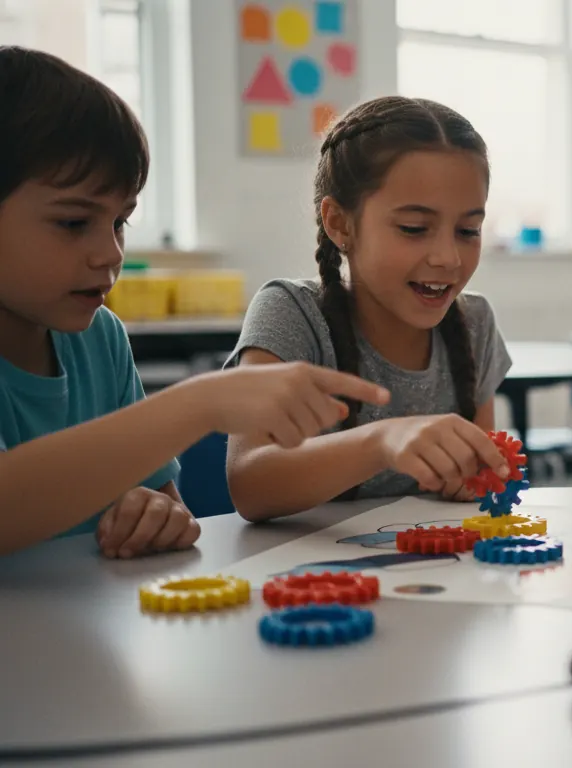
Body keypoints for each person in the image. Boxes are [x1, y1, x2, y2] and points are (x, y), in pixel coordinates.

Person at [0, 47, 388, 558]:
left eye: (120, 222)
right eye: (74, 223)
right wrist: (202, 402)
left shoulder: (101, 336)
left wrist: (158, 516)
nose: (110, 252)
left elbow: (165, 505)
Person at [224, 96, 516, 520]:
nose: (448, 258)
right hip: (310, 579)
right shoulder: (291, 313)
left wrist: (473, 476)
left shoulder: (475, 322)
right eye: (414, 229)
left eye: (468, 230)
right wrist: (383, 442)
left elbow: (480, 478)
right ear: (340, 224)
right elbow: (250, 484)